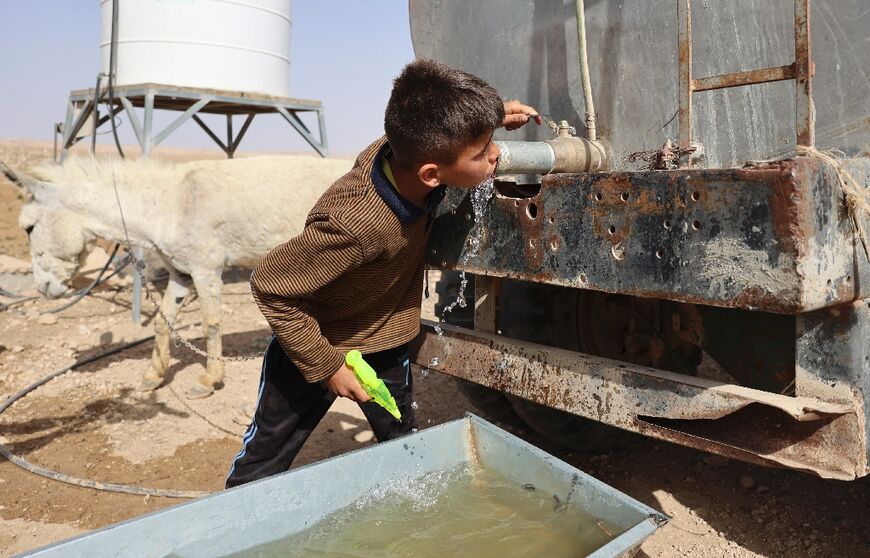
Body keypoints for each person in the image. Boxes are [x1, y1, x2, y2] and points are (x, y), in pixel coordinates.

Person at [225, 58, 540, 488]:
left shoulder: (404, 153)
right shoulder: (355, 222)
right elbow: (270, 285)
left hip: (387, 343)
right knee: (264, 462)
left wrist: (489, 118)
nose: (496, 156)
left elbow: (429, 134)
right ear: (433, 175)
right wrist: (327, 366)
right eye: (482, 152)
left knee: (402, 443)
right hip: (320, 346)